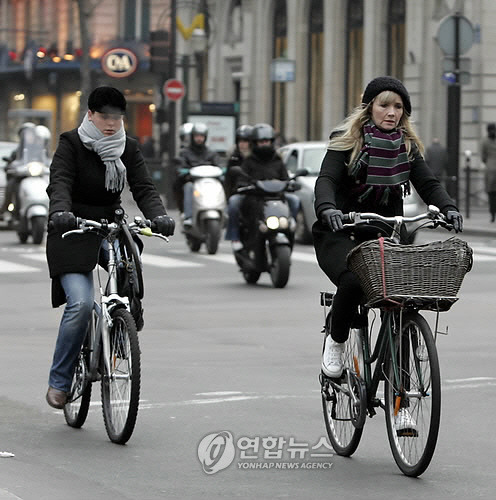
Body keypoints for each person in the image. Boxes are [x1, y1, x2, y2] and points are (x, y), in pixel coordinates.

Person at [312, 76, 462, 430]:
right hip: (342, 231)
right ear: (369, 107)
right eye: (384, 105)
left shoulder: (406, 148)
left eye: (398, 107)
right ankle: (336, 341)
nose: (391, 112)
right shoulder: (345, 142)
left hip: (386, 232)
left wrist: (448, 206)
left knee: (401, 310)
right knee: (352, 280)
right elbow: (327, 180)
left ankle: (401, 407)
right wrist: (328, 207)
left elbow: (428, 183)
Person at [45, 86, 175, 409]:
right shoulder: (71, 144)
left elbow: (143, 187)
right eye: (104, 117)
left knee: (128, 277)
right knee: (83, 303)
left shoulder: (126, 148)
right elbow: (59, 181)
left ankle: (118, 333)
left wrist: (158, 216)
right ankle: (60, 381)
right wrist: (61, 212)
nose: (111, 124)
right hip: (73, 229)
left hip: (110, 227)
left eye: (117, 117)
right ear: (90, 115)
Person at [225, 123, 300, 251]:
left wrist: (290, 184)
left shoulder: (277, 160)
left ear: (271, 142)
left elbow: (285, 178)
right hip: (255, 196)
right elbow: (241, 178)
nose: (264, 144)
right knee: (233, 202)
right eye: (261, 141)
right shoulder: (249, 161)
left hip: (276, 196)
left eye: (267, 141)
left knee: (294, 200)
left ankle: (291, 224)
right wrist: (244, 185)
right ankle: (235, 235)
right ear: (255, 143)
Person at [175, 122, 221, 226]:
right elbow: (180, 166)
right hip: (193, 183)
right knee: (188, 187)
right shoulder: (185, 153)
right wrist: (183, 171)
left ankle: (222, 211)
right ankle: (188, 216)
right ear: (192, 137)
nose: (199, 139)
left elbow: (218, 166)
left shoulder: (211, 153)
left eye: (201, 136)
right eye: (197, 136)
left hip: (209, 184)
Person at [224, 124, 253, 198]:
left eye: (245, 141)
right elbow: (227, 181)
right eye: (240, 141)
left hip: (256, 193)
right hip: (238, 192)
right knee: (233, 202)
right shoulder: (234, 158)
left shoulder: (257, 157)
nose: (242, 144)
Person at [481, 123, 496, 222]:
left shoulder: (485, 142)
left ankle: (492, 214)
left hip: (490, 170)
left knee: (491, 194)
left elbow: (483, 157)